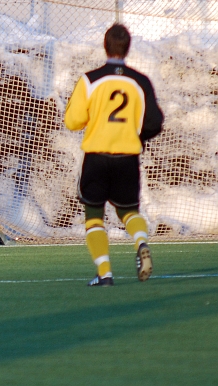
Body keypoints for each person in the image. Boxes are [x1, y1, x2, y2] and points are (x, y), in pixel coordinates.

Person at [64, 23, 164, 287]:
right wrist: (135, 137)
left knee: (94, 215)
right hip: (127, 158)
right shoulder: (140, 81)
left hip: (96, 156)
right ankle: (141, 240)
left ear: (105, 46)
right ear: (127, 48)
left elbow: (73, 121)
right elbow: (155, 122)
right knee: (129, 210)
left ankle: (105, 273)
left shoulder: (90, 79)